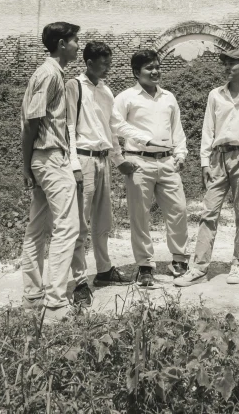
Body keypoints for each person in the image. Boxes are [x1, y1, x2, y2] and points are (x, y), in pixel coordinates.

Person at [66, 41, 169, 305]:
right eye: (104, 64)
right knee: (80, 225)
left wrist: (140, 143)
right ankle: (79, 281)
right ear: (89, 63)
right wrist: (74, 166)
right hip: (84, 160)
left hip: (102, 161)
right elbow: (67, 128)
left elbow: (114, 127)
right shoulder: (74, 87)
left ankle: (103, 271)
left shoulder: (105, 90)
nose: (108, 69)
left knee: (103, 221)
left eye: (110, 64)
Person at [175, 49, 239, 288]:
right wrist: (205, 162)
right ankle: (199, 267)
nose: (227, 67)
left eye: (232, 64)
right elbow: (208, 130)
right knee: (208, 213)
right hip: (218, 157)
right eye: (225, 64)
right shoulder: (215, 95)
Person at [21, 21, 81, 324]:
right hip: (50, 158)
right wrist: (26, 164)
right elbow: (32, 122)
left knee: (38, 226)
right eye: (74, 41)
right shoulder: (49, 74)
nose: (77, 46)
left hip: (44, 159)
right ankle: (56, 305)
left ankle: (33, 295)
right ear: (61, 43)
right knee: (67, 227)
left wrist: (30, 164)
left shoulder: (52, 73)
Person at [114, 50, 190, 287]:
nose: (155, 71)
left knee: (178, 210)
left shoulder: (168, 97)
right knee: (140, 215)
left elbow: (177, 128)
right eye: (149, 68)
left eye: (158, 67)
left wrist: (181, 153)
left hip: (167, 162)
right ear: (137, 72)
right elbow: (114, 127)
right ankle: (145, 265)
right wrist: (120, 159)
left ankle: (179, 259)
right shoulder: (126, 98)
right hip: (139, 162)